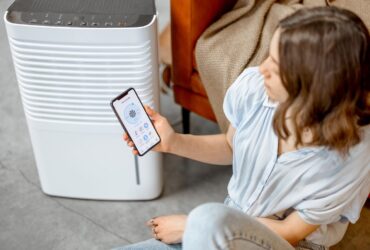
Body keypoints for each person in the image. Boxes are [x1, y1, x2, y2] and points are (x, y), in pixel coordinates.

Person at [116, 6, 370, 250]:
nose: (262, 69)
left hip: (287, 243)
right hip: (227, 226)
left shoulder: (352, 155)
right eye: (269, 56)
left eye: (277, 67)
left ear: (315, 90)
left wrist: (190, 227)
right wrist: (173, 142)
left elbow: (291, 233)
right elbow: (230, 146)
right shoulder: (256, 89)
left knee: (206, 220)